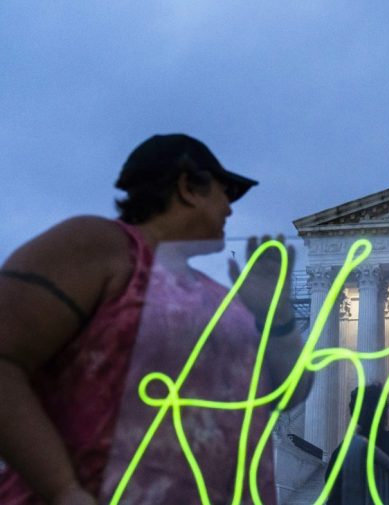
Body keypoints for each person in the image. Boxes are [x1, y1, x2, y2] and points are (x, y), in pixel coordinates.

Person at [0, 134, 312, 504]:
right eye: (225, 191)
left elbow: (286, 396)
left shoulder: (217, 297)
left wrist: (276, 317)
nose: (230, 208)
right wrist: (63, 490)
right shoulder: (100, 245)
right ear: (188, 188)